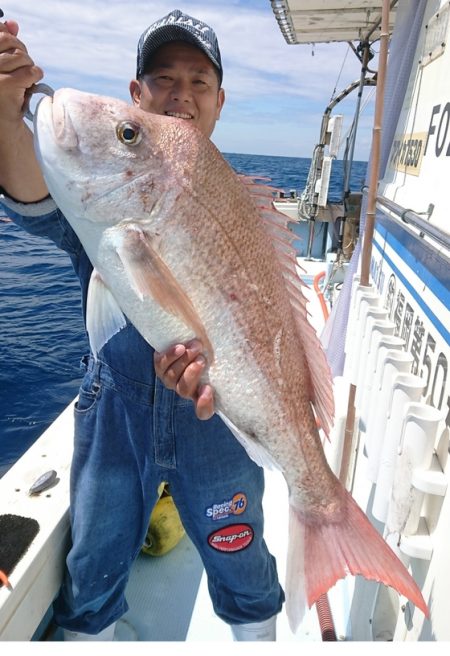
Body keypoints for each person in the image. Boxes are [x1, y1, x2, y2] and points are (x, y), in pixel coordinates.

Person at [0, 9, 284, 641]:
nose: (180, 94)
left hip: (217, 422)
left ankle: (257, 633)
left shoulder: (241, 207)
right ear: (137, 94)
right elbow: (32, 189)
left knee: (244, 564)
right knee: (93, 565)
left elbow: (268, 327)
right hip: (115, 413)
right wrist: (3, 106)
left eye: (199, 82)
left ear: (219, 102)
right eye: (162, 79)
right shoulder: (101, 191)